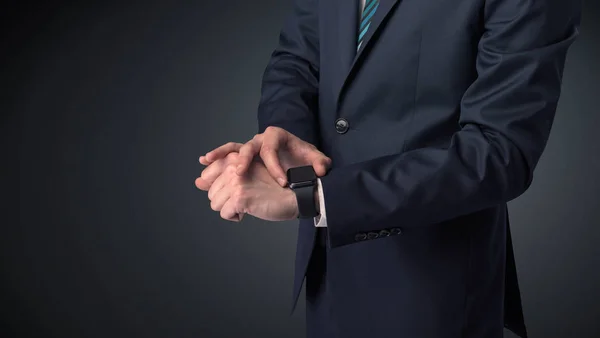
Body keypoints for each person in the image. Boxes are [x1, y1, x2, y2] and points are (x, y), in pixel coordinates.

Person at [195, 0, 581, 336]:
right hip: (328, 277)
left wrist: (316, 197)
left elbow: (499, 152)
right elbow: (297, 59)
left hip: (431, 291)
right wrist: (285, 145)